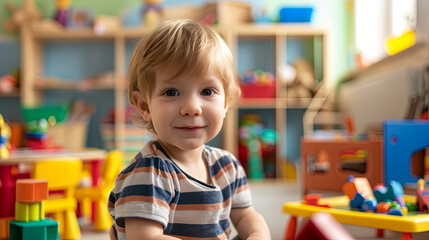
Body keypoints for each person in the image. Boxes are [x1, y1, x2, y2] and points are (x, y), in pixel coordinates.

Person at [108, 19, 271, 240]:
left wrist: (257, 233)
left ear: (225, 103)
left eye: (207, 91)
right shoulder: (149, 173)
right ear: (145, 106)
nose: (192, 108)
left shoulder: (227, 166)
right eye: (171, 92)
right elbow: (146, 238)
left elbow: (245, 216)